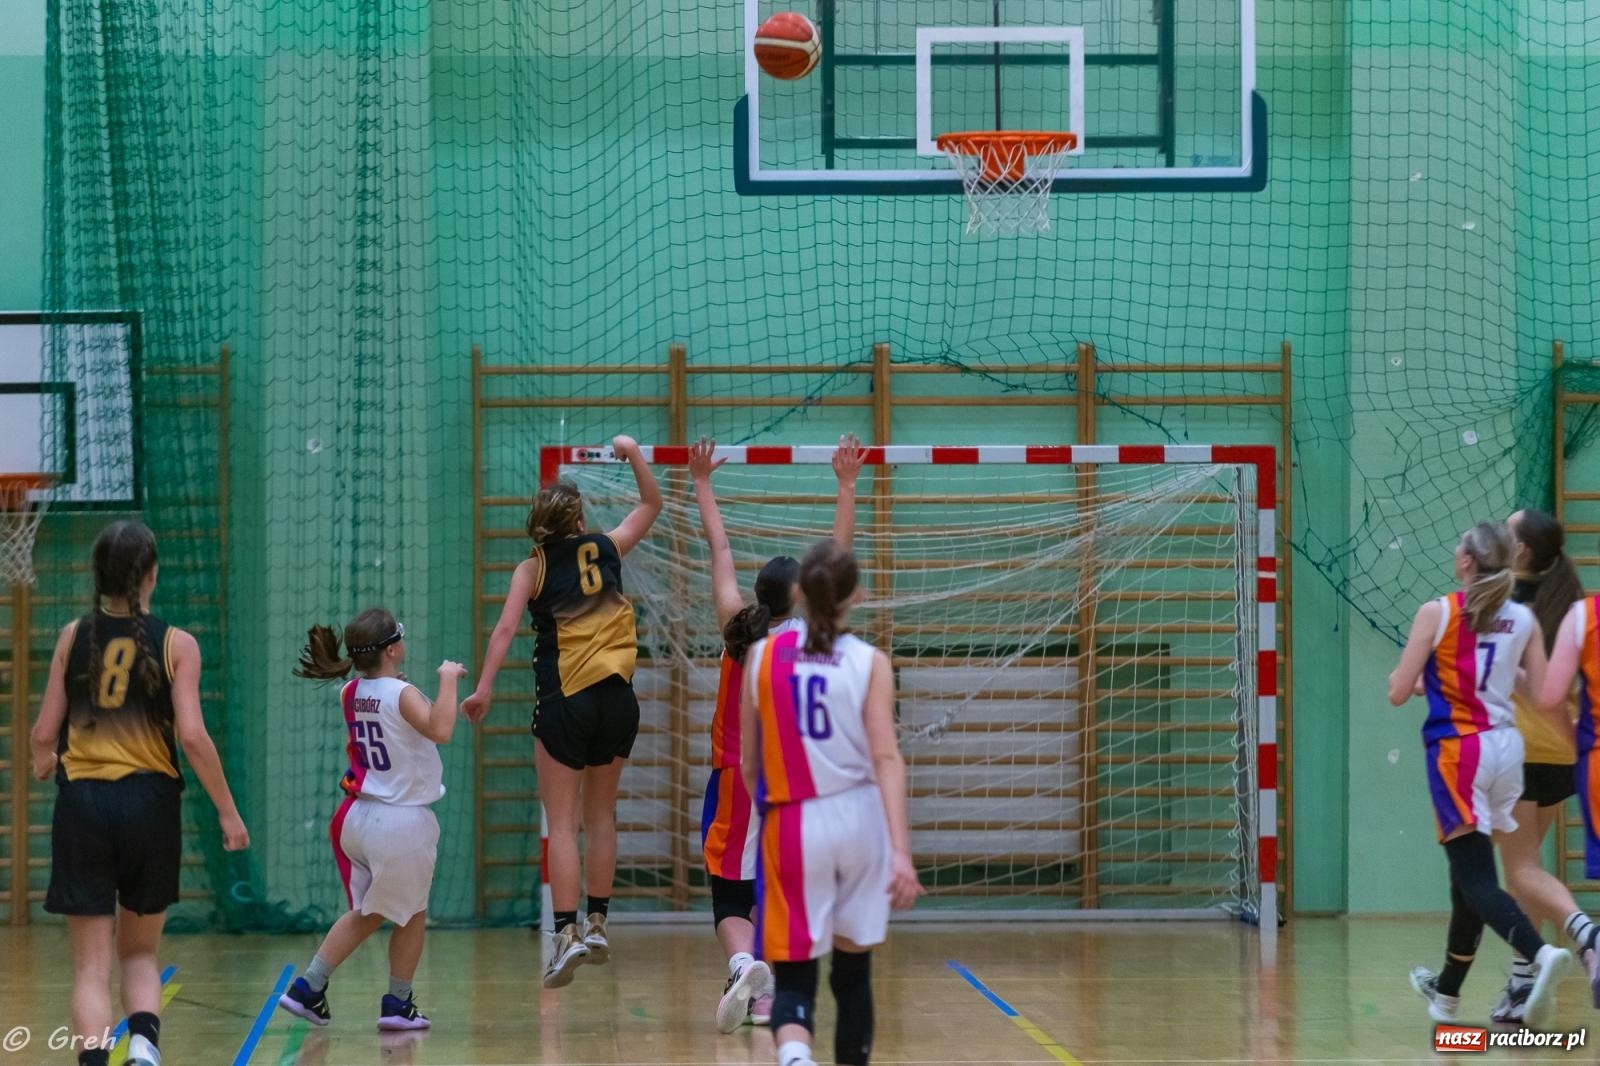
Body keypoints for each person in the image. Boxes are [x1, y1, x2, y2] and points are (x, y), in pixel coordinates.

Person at [30, 521, 248, 1066]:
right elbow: (193, 737)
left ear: (99, 577)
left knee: (89, 966)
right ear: (151, 577)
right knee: (141, 952)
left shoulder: (72, 637)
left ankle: (94, 1059)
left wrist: (43, 761)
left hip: (83, 807)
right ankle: (144, 1049)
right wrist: (228, 813)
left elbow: (41, 735)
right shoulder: (178, 644)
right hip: (150, 807)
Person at [464, 434, 662, 987]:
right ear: (578, 518)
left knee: (563, 824)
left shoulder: (532, 569)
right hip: (619, 699)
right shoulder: (608, 547)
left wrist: (482, 690)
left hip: (565, 700)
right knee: (600, 818)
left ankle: (566, 934)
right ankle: (598, 922)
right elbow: (651, 505)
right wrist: (633, 452)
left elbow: (505, 629)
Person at [691, 434, 864, 1032]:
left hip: (737, 777)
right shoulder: (812, 635)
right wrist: (845, 486)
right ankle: (766, 994)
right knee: (776, 884)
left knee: (727, 891)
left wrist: (704, 482)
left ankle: (743, 965)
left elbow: (720, 547)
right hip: (794, 781)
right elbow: (838, 557)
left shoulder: (737, 630)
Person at [741, 540, 923, 1066]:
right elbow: (887, 758)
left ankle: (795, 1058)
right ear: (854, 596)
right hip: (859, 821)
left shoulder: (762, 657)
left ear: (800, 594)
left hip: (794, 822)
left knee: (794, 976)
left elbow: (750, 765)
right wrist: (900, 852)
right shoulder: (870, 662)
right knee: (853, 975)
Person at [1388, 522, 1574, 1028]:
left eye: (1459, 545)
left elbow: (1399, 692)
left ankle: (1539, 955)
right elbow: (1540, 692)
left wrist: (1410, 677)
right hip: (1508, 750)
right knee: (1465, 876)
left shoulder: (1438, 611)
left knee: (1475, 877)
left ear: (1468, 561)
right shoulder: (1521, 617)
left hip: (1460, 752)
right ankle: (1447, 993)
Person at [277, 609, 465, 1030]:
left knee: (378, 909)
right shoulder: (402, 693)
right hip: (398, 823)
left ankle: (316, 988)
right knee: (403, 912)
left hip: (358, 820)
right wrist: (449, 678)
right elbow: (442, 729)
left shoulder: (351, 690)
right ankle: (377, 1000)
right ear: (393, 648)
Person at [1490, 510, 1598, 1021]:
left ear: (1523, 551)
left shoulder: (1506, 608)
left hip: (1520, 750)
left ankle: (1586, 937)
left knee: (1520, 871)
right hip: (1561, 752)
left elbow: (1504, 679)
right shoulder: (1571, 605)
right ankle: (1520, 984)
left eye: (1507, 533)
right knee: (1525, 873)